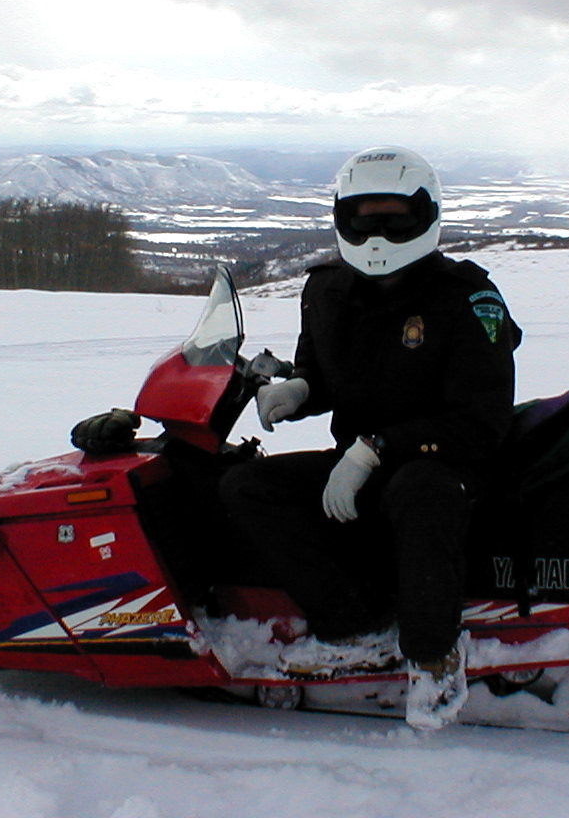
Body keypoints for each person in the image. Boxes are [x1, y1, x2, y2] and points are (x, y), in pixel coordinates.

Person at [220, 146, 520, 729]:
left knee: (419, 491)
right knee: (247, 486)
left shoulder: (466, 298)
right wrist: (300, 389)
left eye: (395, 218)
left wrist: (375, 448)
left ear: (426, 216)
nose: (378, 232)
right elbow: (326, 372)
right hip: (354, 461)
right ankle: (350, 624)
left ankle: (434, 657)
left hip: (445, 466)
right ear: (342, 217)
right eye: (364, 217)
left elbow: (479, 422)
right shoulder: (329, 289)